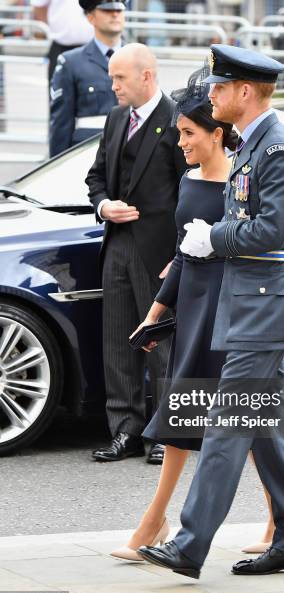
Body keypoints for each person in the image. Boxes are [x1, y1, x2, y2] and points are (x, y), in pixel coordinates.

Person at [138, 43, 284, 579]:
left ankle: (189, 544)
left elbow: (273, 231)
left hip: (264, 310)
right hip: (252, 307)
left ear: (244, 91)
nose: (211, 94)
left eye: (219, 88)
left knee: (226, 424)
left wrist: (211, 238)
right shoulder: (253, 146)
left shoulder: (278, 150)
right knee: (270, 430)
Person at [110, 65, 275, 562]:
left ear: (216, 134)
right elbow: (184, 253)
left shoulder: (243, 181)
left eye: (187, 133)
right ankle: (153, 521)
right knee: (180, 416)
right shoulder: (188, 180)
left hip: (233, 311)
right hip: (195, 308)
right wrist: (156, 312)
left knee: (251, 426)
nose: (180, 141)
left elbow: (256, 241)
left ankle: (276, 522)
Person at [86, 43, 187, 464]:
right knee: (117, 342)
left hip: (159, 252)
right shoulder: (114, 119)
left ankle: (166, 434)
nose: (112, 86)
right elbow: (95, 178)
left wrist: (181, 254)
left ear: (147, 76)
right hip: (117, 247)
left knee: (161, 345)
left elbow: (192, 190)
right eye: (111, 77)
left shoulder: (177, 120)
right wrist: (103, 205)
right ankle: (124, 432)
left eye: (119, 78)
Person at [49, 0, 126, 158]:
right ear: (91, 18)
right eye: (106, 10)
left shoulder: (140, 59)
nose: (115, 14)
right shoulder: (71, 63)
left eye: (119, 10)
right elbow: (61, 126)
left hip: (130, 156)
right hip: (88, 156)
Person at [31, 0, 93, 84]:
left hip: (92, 48)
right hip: (61, 47)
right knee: (58, 90)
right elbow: (38, 5)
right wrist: (53, 25)